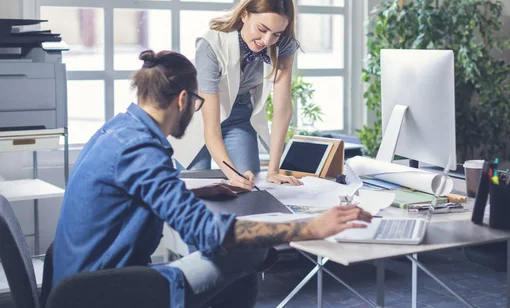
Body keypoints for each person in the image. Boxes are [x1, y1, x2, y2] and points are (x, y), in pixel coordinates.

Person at [52, 50, 371, 308]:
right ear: (182, 100)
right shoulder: (141, 149)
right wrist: (309, 228)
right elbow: (207, 232)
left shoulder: (119, 130)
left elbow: (140, 190)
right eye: (196, 103)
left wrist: (201, 190)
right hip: (102, 292)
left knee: (246, 254)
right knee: (247, 252)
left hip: (79, 283)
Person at [169, 0, 303, 190]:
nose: (267, 40)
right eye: (262, 29)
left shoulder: (282, 44)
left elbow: (283, 108)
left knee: (248, 184)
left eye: (276, 34)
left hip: (239, 114)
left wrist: (274, 169)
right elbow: (210, 128)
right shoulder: (210, 45)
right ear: (244, 15)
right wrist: (232, 175)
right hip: (196, 116)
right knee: (197, 185)